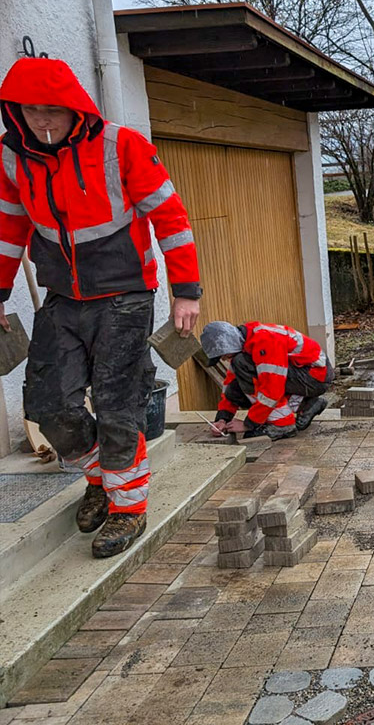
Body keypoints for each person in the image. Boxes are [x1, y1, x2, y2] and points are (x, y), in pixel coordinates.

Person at [0, 57, 202, 558]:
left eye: (52, 110)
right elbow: (8, 228)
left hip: (125, 293)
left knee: (117, 403)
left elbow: (171, 217)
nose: (41, 120)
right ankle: (100, 479)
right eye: (30, 110)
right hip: (62, 297)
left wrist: (186, 292)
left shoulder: (121, 146)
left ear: (75, 109)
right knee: (50, 406)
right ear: (14, 111)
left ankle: (128, 506)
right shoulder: (11, 157)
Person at [200, 320, 331, 441]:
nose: (223, 359)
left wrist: (249, 424)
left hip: (315, 376)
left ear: (230, 344)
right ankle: (306, 404)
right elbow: (231, 386)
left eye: (223, 355)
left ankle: (282, 425)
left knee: (255, 377)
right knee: (240, 384)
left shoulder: (265, 341)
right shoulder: (244, 346)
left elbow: (272, 389)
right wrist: (223, 418)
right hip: (303, 374)